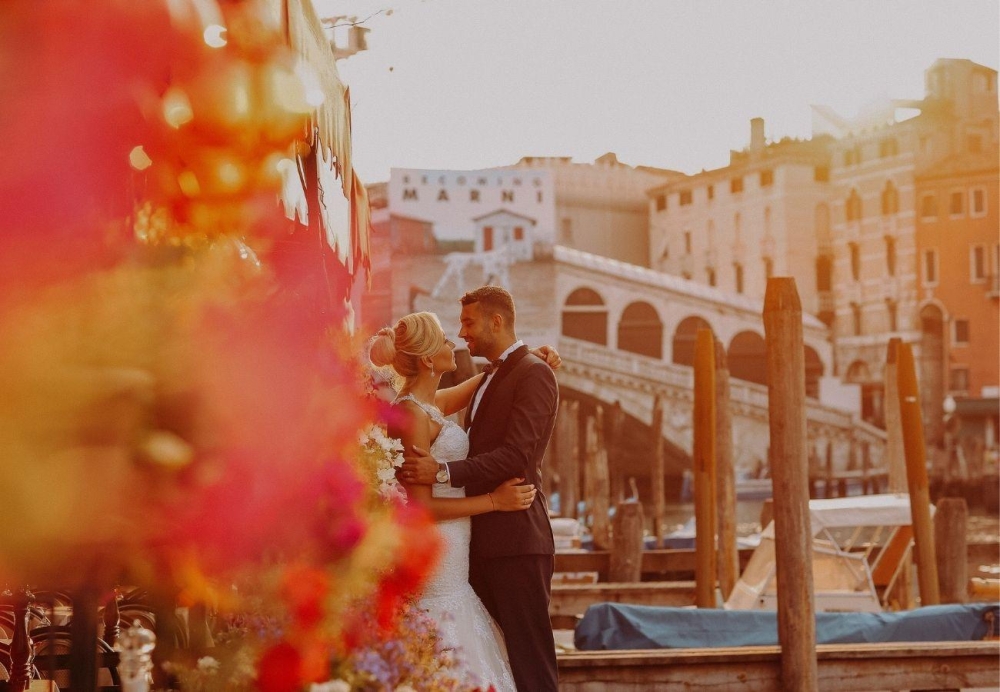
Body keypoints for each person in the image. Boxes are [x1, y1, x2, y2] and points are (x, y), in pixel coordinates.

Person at [368, 309, 559, 692]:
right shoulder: (410, 414)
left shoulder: (428, 403)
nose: (453, 342)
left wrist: (526, 358)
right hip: (441, 548)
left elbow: (489, 379)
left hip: (460, 548)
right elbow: (420, 509)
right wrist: (494, 501)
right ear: (427, 359)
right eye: (442, 339)